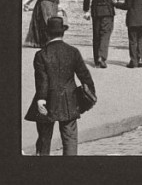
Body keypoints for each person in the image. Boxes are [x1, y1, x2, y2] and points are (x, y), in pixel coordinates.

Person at [24, 17, 95, 156]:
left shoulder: (41, 54)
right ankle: (70, 169)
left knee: (44, 138)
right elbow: (85, 76)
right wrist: (92, 95)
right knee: (70, 139)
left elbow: (42, 80)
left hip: (47, 100)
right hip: (69, 100)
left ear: (47, 34)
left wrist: (41, 99)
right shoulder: (73, 51)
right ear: (62, 33)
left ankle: (42, 169)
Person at [82, 0, 119, 68]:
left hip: (96, 11)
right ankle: (101, 57)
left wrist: (86, 11)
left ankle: (96, 60)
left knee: (96, 35)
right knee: (105, 34)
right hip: (107, 11)